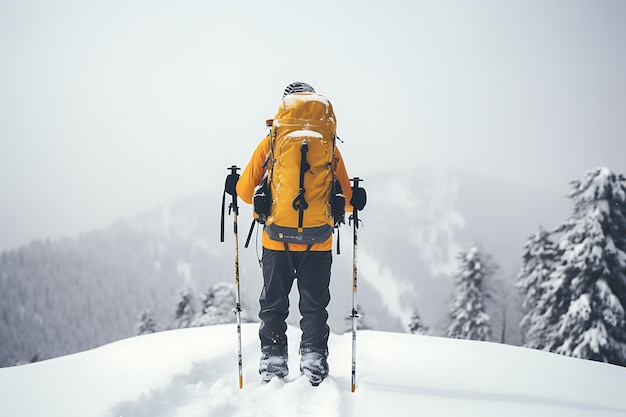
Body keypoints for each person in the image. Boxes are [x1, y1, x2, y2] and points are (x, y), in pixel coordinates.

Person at [236, 82, 353, 386]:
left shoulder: (273, 141)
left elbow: (246, 193)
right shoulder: (327, 144)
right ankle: (314, 360)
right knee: (314, 306)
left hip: (276, 239)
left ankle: (273, 361)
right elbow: (349, 201)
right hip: (319, 240)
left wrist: (234, 185)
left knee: (273, 304)